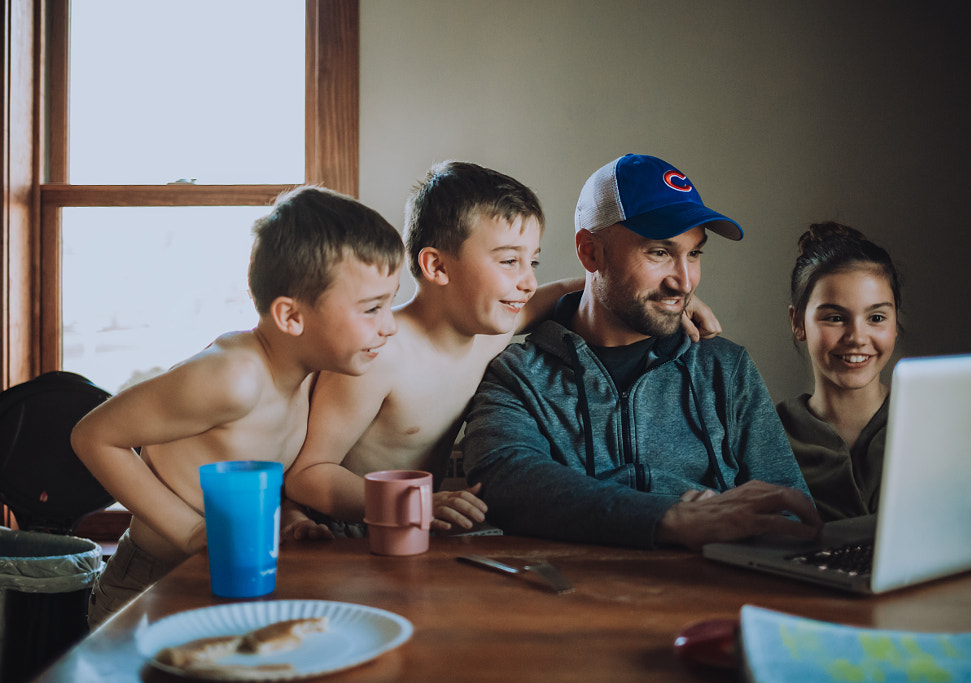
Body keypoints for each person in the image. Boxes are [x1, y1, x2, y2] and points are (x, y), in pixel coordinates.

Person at [284, 161, 723, 535]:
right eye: (509, 260)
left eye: (532, 261)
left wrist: (676, 298)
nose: (527, 281)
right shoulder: (380, 352)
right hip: (347, 529)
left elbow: (575, 291)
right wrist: (407, 504)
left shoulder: (493, 326)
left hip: (419, 525)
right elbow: (308, 475)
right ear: (436, 265)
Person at [70, 186, 405, 627]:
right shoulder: (234, 377)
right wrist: (192, 533)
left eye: (391, 303)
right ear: (291, 317)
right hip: (152, 582)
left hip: (230, 575)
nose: (391, 325)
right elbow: (93, 437)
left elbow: (240, 467)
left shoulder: (308, 375)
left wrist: (288, 517)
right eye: (372, 309)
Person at [462, 153, 822, 550]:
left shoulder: (724, 368)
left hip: (714, 596)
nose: (685, 282)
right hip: (572, 601)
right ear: (590, 253)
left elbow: (791, 513)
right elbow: (504, 479)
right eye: (659, 252)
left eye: (695, 253)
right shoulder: (518, 375)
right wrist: (668, 518)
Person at [776, 222, 902, 521]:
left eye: (876, 317)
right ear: (798, 323)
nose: (857, 337)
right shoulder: (766, 435)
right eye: (834, 317)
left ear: (895, 322)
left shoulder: (933, 425)